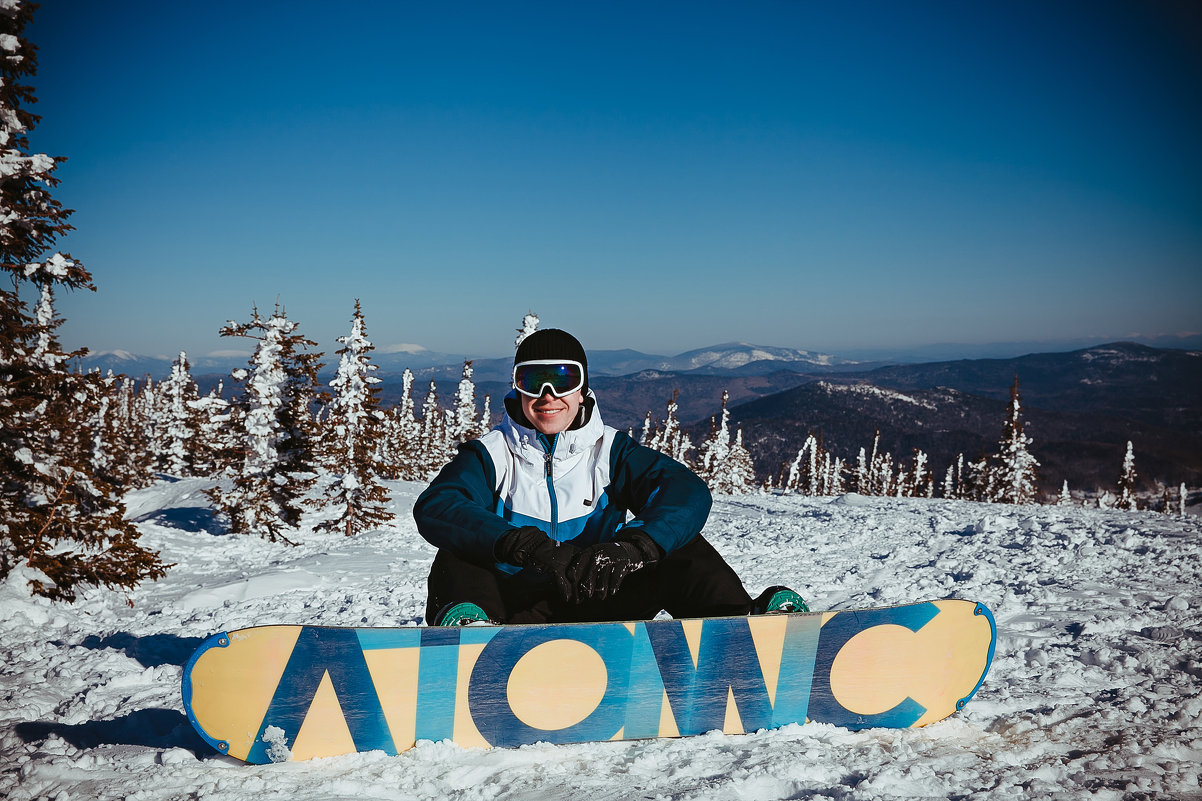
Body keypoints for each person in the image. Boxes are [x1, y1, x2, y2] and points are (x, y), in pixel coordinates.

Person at [413, 328, 804, 626]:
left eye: (563, 380)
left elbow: (686, 492)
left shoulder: (610, 451)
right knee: (458, 549)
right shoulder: (492, 454)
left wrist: (635, 547)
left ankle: (740, 629)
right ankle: (468, 637)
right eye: (533, 381)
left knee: (680, 544)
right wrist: (524, 546)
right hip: (515, 615)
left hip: (602, 600)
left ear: (582, 390)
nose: (548, 395)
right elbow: (438, 506)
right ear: (518, 389)